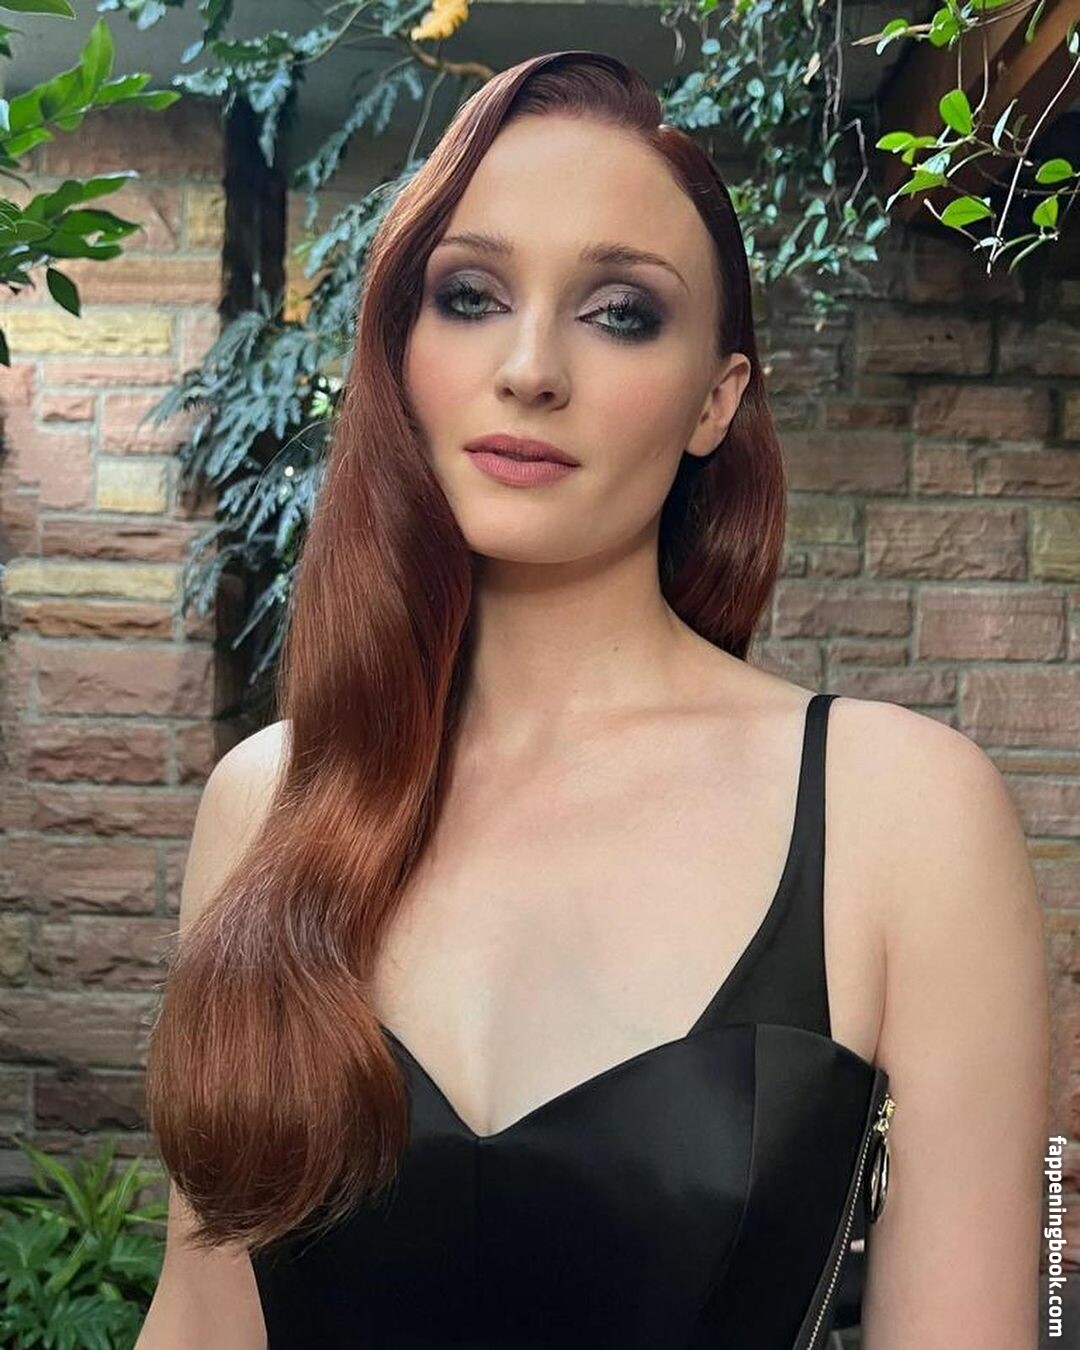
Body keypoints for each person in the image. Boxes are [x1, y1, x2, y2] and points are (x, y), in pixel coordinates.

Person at [136, 49, 1049, 1350]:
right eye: (469, 296)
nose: (529, 367)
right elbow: (206, 1312)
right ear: (400, 349)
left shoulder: (903, 813)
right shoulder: (266, 799)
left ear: (715, 400)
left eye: (620, 312)